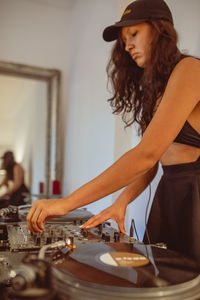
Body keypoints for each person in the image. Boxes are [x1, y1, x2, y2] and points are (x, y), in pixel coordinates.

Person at [27, 0, 200, 263]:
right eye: (123, 39)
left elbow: (146, 154)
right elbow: (153, 162)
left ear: (161, 30)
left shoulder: (191, 70)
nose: (127, 45)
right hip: (169, 194)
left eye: (134, 34)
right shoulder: (156, 89)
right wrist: (122, 202)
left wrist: (66, 203)